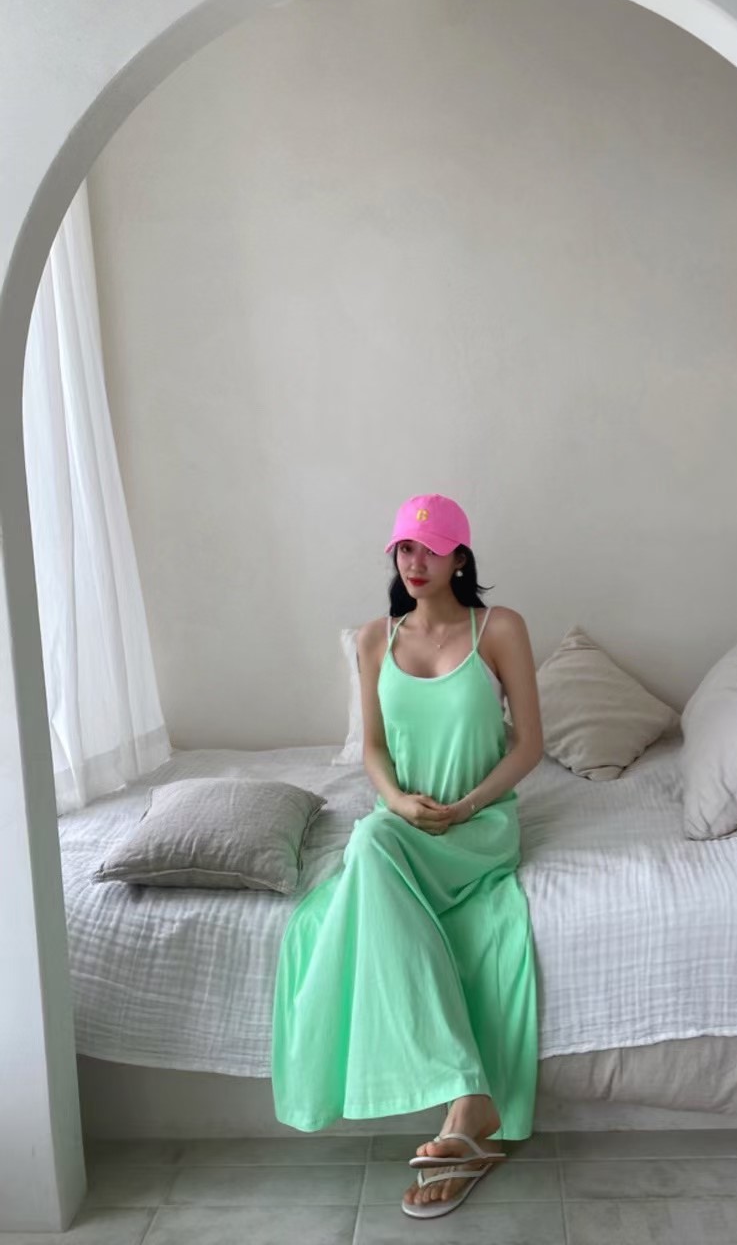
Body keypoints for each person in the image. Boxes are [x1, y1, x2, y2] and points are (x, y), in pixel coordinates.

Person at [271, 492, 544, 1219]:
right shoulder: (374, 639)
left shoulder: (499, 628)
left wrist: (469, 806)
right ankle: (467, 1098)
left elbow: (529, 746)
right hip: (403, 822)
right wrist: (395, 801)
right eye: (403, 549)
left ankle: (465, 1103)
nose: (414, 561)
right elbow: (372, 750)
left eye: (430, 548)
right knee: (370, 840)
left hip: (480, 825)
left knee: (370, 855)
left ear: (461, 557)